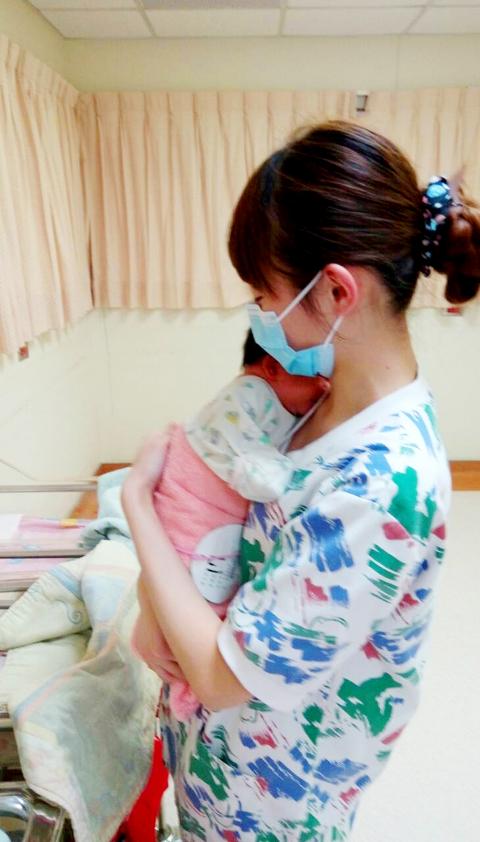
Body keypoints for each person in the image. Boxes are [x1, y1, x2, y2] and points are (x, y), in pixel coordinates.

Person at [122, 121, 480, 841]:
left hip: (272, 808)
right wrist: (153, 601)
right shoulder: (318, 397)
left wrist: (137, 508)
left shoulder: (384, 483)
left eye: (265, 293)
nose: (261, 314)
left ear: (337, 291)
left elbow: (224, 676)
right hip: (220, 764)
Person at [132, 330, 328, 720]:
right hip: (196, 501)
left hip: (200, 510)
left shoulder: (267, 398)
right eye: (314, 375)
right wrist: (286, 476)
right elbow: (256, 473)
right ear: (272, 368)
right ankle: (181, 682)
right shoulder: (250, 396)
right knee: (192, 588)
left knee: (183, 587)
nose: (324, 386)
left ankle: (175, 672)